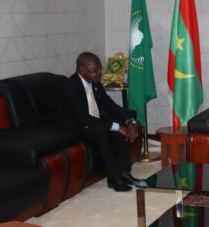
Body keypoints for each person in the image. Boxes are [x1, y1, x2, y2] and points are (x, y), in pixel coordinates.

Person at [57, 52, 144, 192]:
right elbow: (83, 118)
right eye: (95, 70)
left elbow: (111, 105)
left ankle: (123, 172)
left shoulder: (95, 84)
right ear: (82, 70)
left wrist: (129, 121)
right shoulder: (70, 86)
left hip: (93, 122)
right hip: (76, 126)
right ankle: (113, 177)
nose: (100, 73)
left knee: (121, 128)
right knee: (103, 131)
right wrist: (117, 127)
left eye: (100, 69)